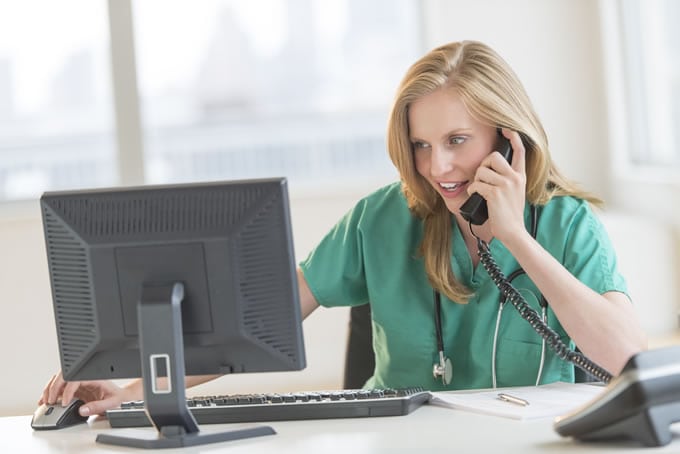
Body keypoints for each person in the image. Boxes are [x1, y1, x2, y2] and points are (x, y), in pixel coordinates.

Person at [40, 40, 647, 417]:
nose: (437, 167)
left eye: (457, 140)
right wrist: (131, 382)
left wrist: (514, 234)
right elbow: (252, 326)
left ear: (505, 139)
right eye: (420, 144)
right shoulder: (382, 218)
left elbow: (626, 358)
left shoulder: (568, 224)